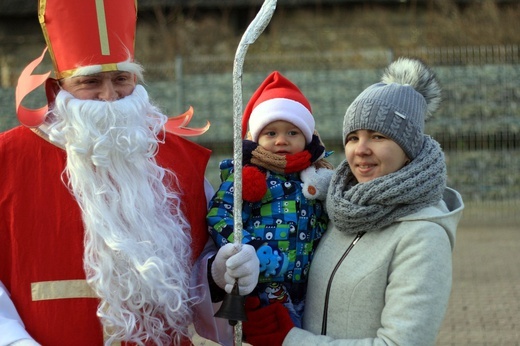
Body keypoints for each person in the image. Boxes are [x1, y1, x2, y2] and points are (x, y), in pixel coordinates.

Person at [0, 1, 258, 345]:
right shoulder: (8, 160)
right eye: (91, 82)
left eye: (121, 78)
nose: (109, 96)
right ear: (59, 87)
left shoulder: (180, 160)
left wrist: (217, 275)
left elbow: (193, 278)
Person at [242, 58, 465, 345]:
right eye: (352, 137)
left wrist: (290, 340)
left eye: (378, 136)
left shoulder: (424, 235)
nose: (360, 150)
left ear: (408, 150)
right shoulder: (338, 209)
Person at [207, 71, 334, 329]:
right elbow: (220, 215)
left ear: (308, 137)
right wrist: (245, 250)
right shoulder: (248, 176)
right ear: (256, 138)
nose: (281, 141)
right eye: (271, 133)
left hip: (310, 286)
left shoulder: (316, 178)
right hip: (262, 286)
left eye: (292, 133)